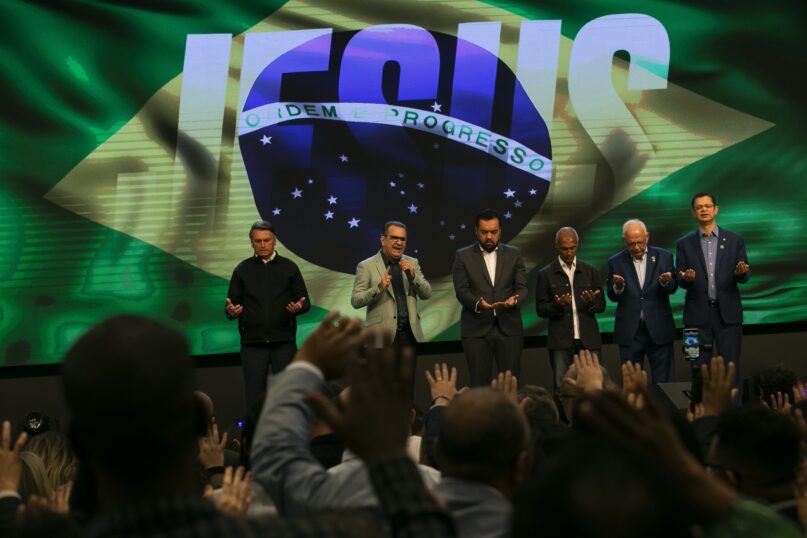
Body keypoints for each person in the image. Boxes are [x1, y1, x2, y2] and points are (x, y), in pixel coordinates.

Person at [226, 220, 310, 409]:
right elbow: (231, 305)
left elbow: (306, 303)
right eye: (258, 241)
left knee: (288, 396)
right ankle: (254, 438)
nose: (262, 245)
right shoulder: (242, 270)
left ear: (275, 241)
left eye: (267, 240)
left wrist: (298, 308)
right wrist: (231, 312)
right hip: (252, 344)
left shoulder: (289, 267)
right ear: (251, 243)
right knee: (254, 399)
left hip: (284, 343)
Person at [675, 193, 750, 380]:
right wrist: (687, 279)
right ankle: (702, 409)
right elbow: (680, 278)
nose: (704, 209)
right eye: (699, 207)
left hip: (728, 316)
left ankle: (733, 410)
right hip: (695, 317)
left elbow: (745, 274)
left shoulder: (735, 240)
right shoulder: (683, 243)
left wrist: (741, 273)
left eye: (707, 206)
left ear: (716, 210)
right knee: (696, 368)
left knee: (731, 369)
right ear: (693, 213)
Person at [452, 209, 528, 386]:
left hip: (509, 328)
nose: (489, 237)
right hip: (476, 331)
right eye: (484, 232)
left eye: (493, 232)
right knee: (479, 385)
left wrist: (514, 299)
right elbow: (461, 290)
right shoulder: (462, 256)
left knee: (510, 385)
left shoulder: (514, 254)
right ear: (476, 231)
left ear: (500, 231)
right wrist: (478, 303)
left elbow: (522, 288)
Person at [607, 219, 678, 384]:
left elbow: (673, 288)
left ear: (647, 237)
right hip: (630, 332)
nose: (636, 247)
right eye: (631, 244)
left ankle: (664, 411)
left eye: (640, 242)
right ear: (624, 240)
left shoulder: (664, 256)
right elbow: (612, 296)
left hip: (659, 329)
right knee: (631, 384)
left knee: (665, 383)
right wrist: (618, 287)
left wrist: (666, 282)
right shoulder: (615, 261)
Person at [535, 227, 605, 392]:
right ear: (556, 246)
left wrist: (591, 302)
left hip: (588, 339)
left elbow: (601, 306)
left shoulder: (591, 271)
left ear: (577, 246)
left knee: (595, 386)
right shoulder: (545, 274)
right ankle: (564, 419)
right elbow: (540, 309)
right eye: (564, 248)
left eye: (572, 248)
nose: (568, 252)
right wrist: (556, 306)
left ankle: (593, 418)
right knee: (562, 386)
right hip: (560, 340)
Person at [351, 221, 432, 353]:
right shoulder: (366, 266)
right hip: (381, 338)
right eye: (394, 238)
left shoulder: (412, 263)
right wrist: (378, 288)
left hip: (410, 336)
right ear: (383, 240)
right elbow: (356, 300)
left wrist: (413, 277)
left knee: (410, 374)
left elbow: (427, 293)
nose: (399, 243)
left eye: (402, 239)